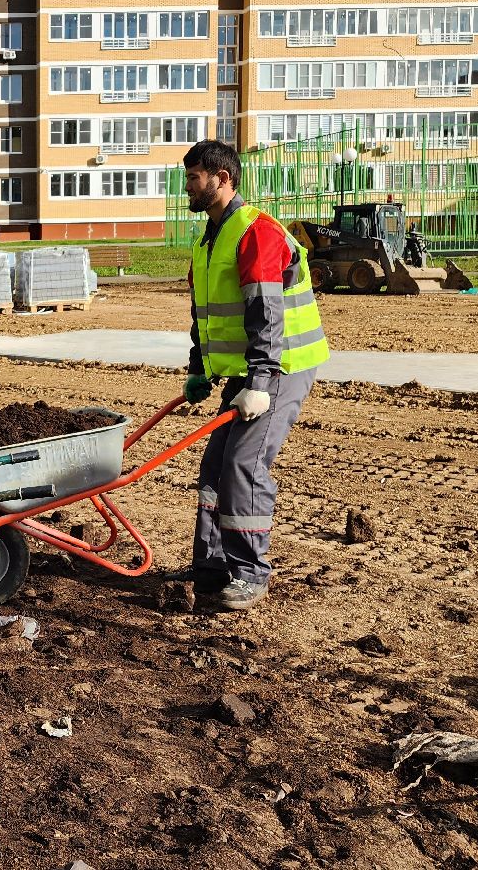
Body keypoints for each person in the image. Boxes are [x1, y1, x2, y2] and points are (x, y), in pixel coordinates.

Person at [179, 139, 329, 610]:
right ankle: (211, 566)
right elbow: (204, 315)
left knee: (243, 465)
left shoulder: (255, 232)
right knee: (214, 467)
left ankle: (249, 574)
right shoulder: (210, 239)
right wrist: (200, 369)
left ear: (222, 179)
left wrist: (260, 383)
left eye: (194, 177)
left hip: (280, 367)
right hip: (249, 370)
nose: (188, 186)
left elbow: (266, 315)